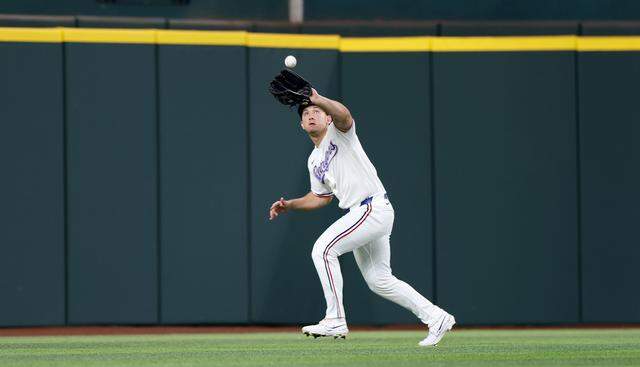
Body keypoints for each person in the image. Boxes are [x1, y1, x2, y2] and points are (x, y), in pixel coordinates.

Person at [268, 88, 455, 347]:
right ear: (301, 124)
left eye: (316, 112)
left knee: (322, 250)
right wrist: (290, 204)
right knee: (379, 280)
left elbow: (345, 115)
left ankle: (334, 319)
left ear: (327, 119)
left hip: (370, 207)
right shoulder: (313, 160)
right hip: (365, 213)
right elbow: (321, 197)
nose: (311, 115)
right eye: (306, 113)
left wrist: (319, 99)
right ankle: (437, 317)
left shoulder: (340, 133)